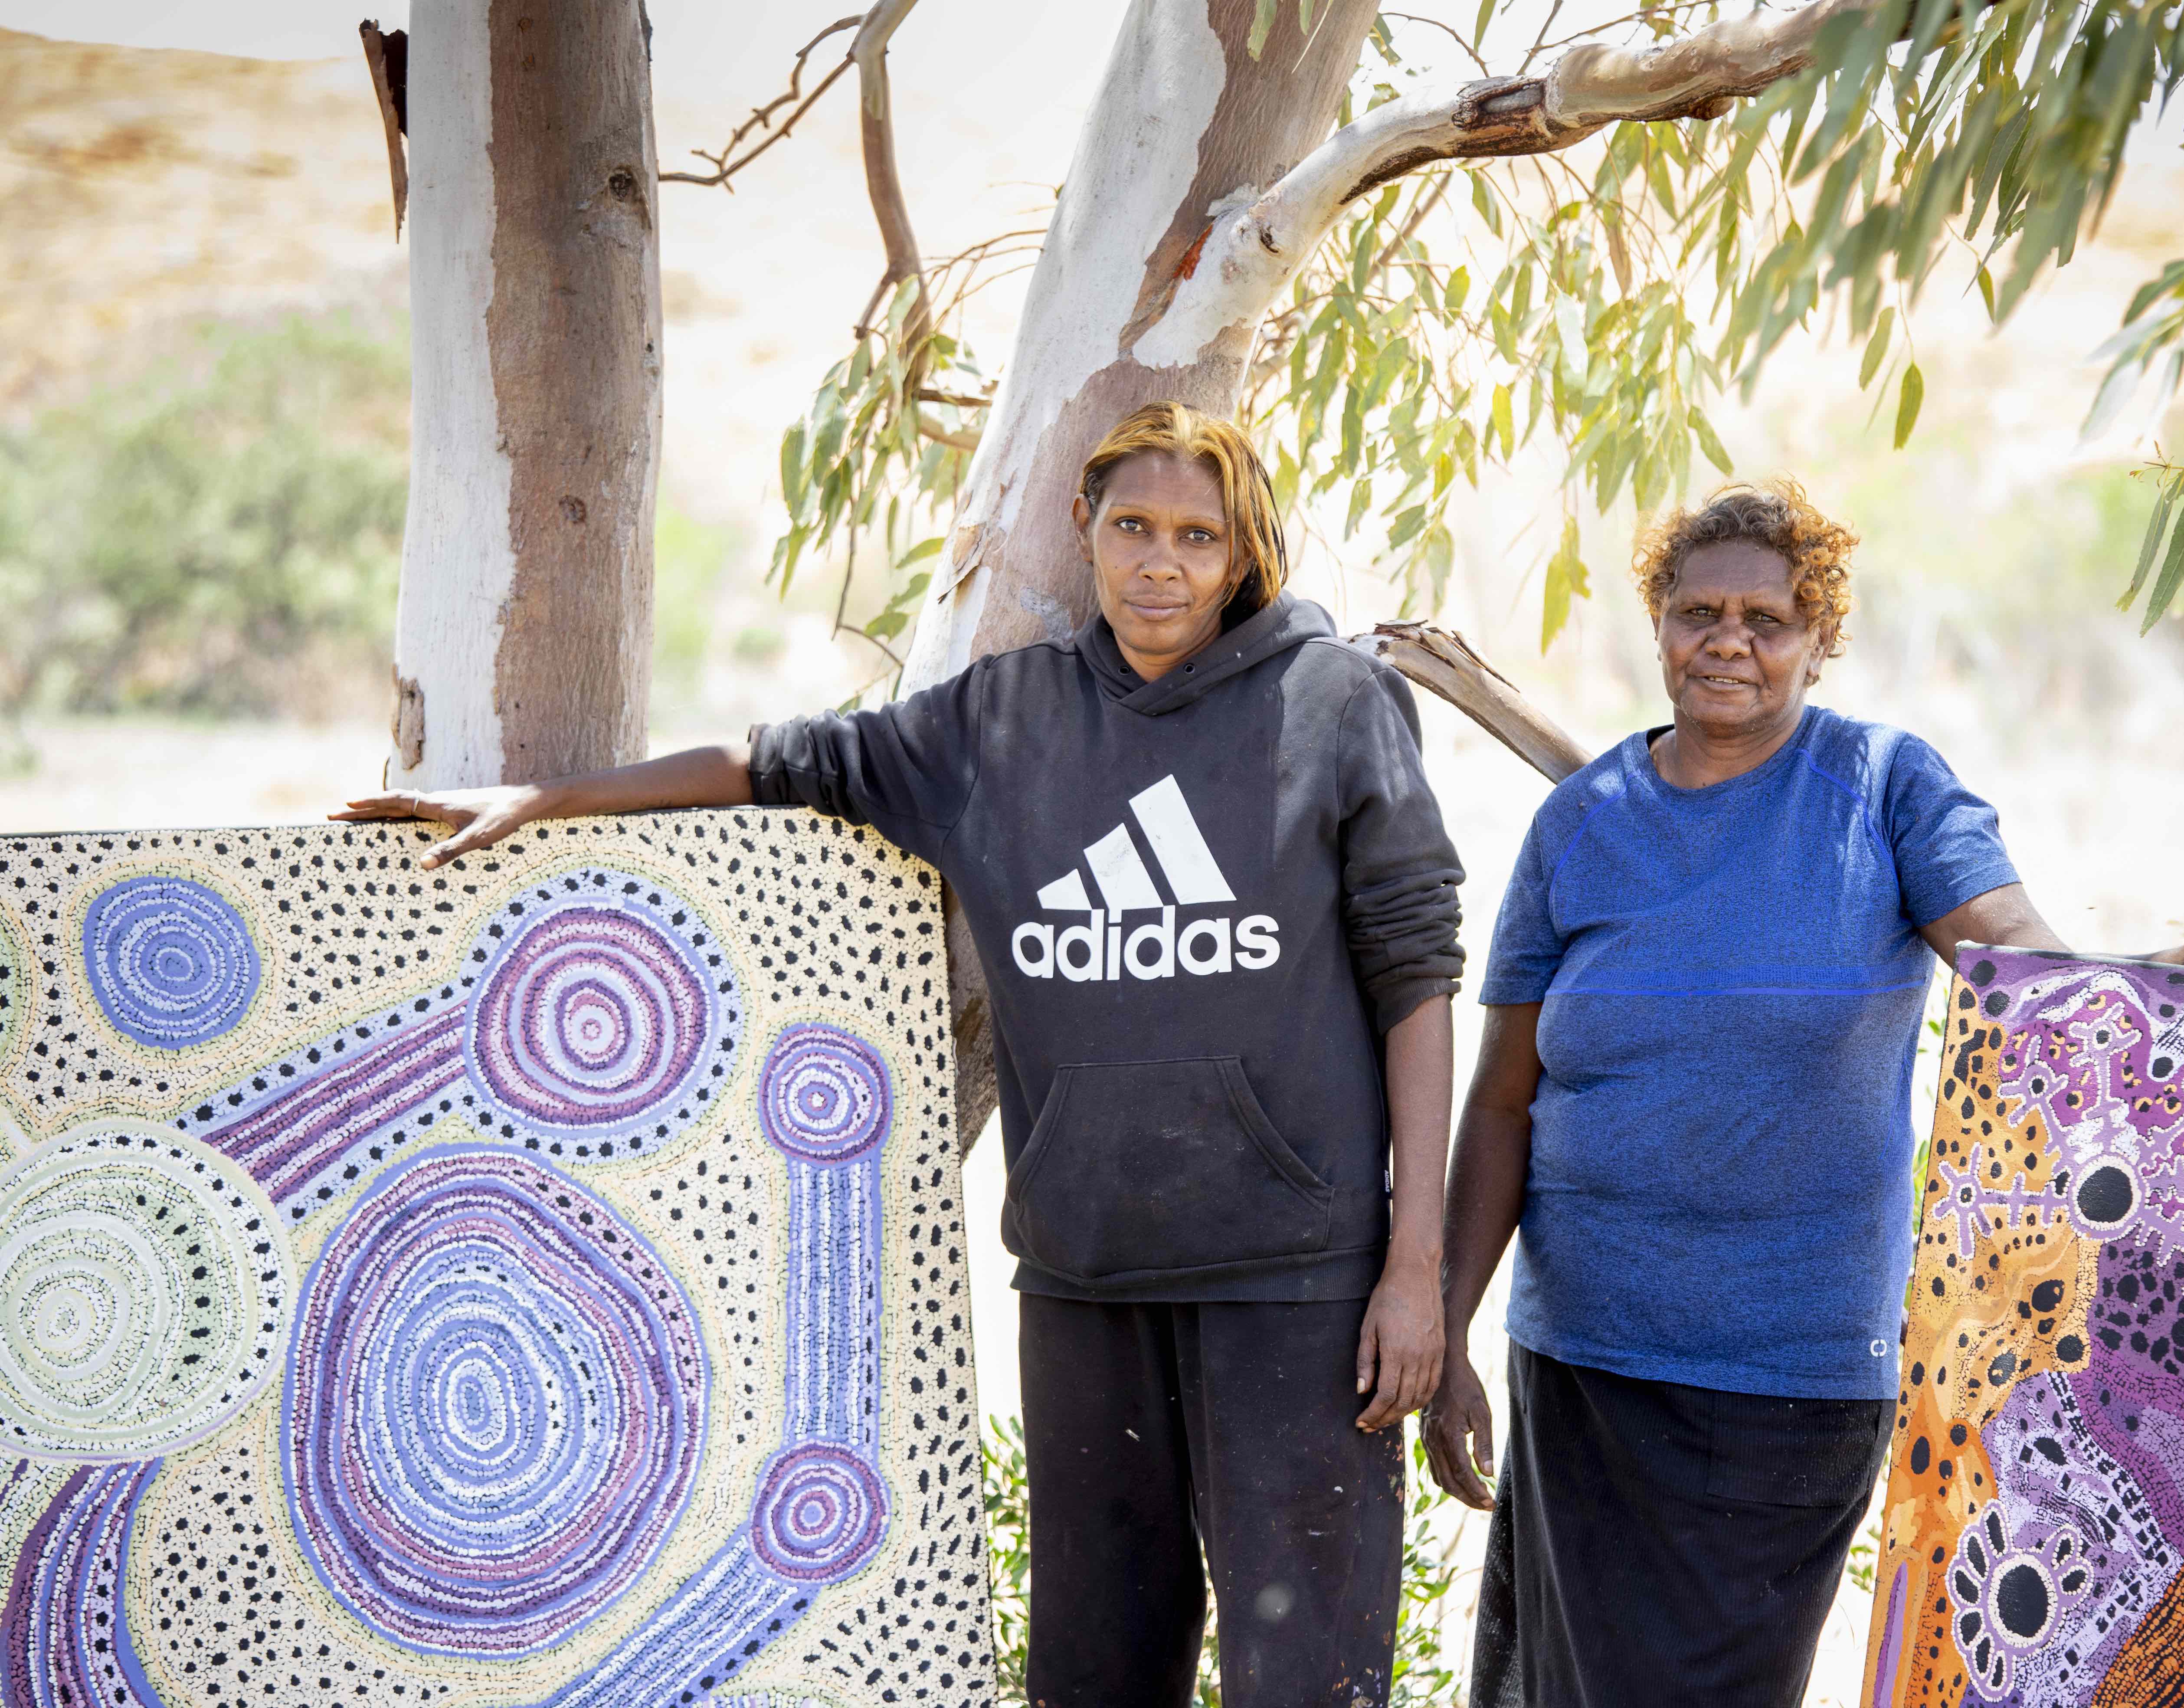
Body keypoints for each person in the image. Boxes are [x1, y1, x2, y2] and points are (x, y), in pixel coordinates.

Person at [338, 402, 1462, 1708]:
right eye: (1133, 527)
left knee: (1309, 1684)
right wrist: (544, 798)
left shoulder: (1332, 705)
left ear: (1242, 552)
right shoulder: (1000, 722)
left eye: (1197, 537)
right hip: (1083, 1282)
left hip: (1299, 1287)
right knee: (1090, 1680)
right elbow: (775, 763)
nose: (1161, 562)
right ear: (1086, 533)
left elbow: (1416, 973)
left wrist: (1414, 1267)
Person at [1418, 479, 2184, 1708]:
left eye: (1769, 617)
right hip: (1580, 1363)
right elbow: (1498, 1105)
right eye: (1699, 611)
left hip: (1788, 1378)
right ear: (1656, 622)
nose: (1730, 641)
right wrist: (1446, 1333)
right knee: (1556, 1688)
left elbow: (2025, 969)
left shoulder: (1878, 787)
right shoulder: (1580, 823)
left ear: (1819, 634)